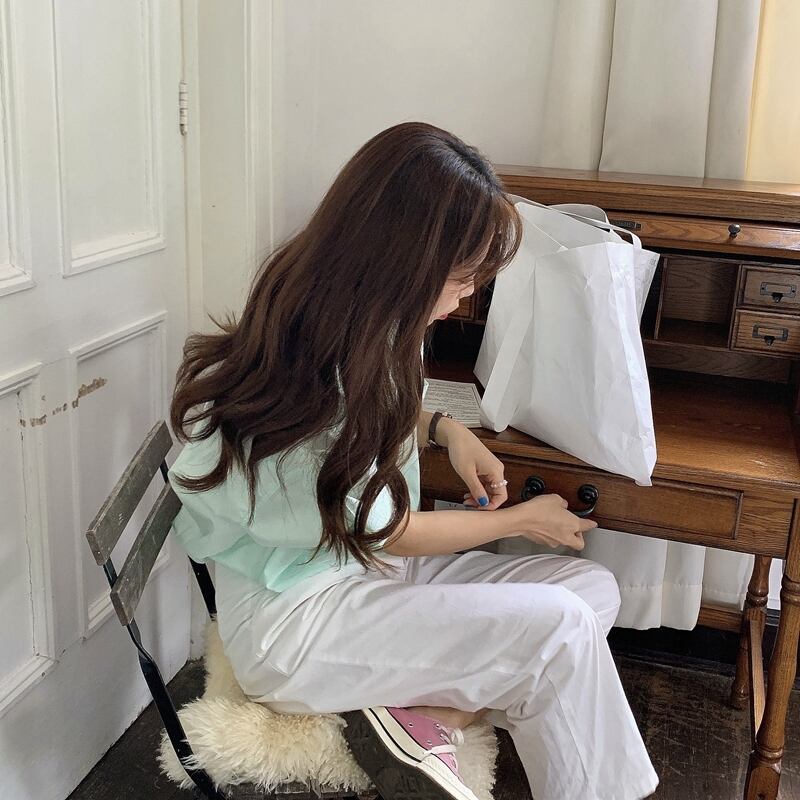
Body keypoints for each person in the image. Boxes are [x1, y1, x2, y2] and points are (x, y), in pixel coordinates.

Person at [168, 121, 659, 800]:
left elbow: (378, 422)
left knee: (591, 590)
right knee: (562, 627)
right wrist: (521, 520)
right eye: (461, 276)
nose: (467, 295)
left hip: (354, 576)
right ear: (404, 260)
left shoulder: (357, 318)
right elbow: (391, 529)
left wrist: (443, 429)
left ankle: (430, 717)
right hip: (298, 624)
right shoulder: (320, 356)